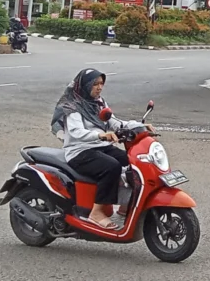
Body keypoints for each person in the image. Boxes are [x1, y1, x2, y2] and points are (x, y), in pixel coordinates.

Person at [51, 69, 152, 229]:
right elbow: (77, 132)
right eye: (95, 84)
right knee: (111, 167)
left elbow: (114, 122)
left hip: (100, 147)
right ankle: (96, 213)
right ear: (84, 85)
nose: (99, 88)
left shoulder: (98, 103)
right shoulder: (72, 106)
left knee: (132, 162)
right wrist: (100, 136)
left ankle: (126, 204)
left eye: (101, 84)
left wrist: (140, 127)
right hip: (79, 151)